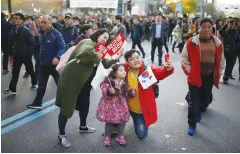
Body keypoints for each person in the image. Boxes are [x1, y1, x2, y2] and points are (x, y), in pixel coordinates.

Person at [55, 29, 115, 148]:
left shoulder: (98, 49)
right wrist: (98, 57)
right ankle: (61, 135)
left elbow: (105, 64)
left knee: (83, 103)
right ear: (97, 35)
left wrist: (117, 58)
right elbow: (86, 51)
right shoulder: (87, 42)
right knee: (66, 107)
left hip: (82, 81)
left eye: (106, 39)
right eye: (103, 37)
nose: (104, 40)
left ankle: (83, 127)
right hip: (70, 79)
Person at [181, 18, 225, 136]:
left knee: (205, 100)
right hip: (194, 77)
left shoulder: (218, 43)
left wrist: (218, 74)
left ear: (212, 29)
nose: (206, 29)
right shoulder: (191, 42)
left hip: (209, 77)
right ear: (199, 28)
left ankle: (200, 110)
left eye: (209, 27)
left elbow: (221, 60)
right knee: (194, 102)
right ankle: (192, 123)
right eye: (203, 26)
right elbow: (184, 59)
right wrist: (191, 72)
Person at [124, 49, 174, 139]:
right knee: (131, 119)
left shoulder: (147, 70)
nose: (136, 60)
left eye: (137, 57)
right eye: (132, 59)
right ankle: (135, 120)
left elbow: (159, 72)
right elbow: (111, 76)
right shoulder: (124, 71)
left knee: (141, 135)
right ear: (127, 62)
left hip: (141, 111)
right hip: (128, 108)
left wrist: (167, 69)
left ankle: (138, 121)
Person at [27, 15, 66, 109]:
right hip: (43, 64)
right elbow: (38, 46)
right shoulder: (39, 33)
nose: (42, 24)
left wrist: (57, 57)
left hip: (54, 65)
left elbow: (62, 47)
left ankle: (67, 102)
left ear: (50, 23)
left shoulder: (56, 33)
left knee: (60, 85)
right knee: (41, 85)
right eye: (41, 22)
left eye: (44, 22)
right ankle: (37, 103)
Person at [3, 13, 37, 95]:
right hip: (16, 55)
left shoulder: (27, 30)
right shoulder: (13, 29)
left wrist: (28, 53)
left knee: (30, 70)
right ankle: (12, 89)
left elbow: (32, 44)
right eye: (14, 18)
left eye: (17, 18)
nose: (15, 20)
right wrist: (11, 52)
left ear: (22, 20)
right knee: (15, 73)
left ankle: (34, 83)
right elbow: (12, 43)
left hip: (25, 56)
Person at [96, 64, 130, 146]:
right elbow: (104, 93)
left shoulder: (125, 82)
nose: (124, 72)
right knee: (109, 121)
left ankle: (120, 136)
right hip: (111, 106)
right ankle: (107, 136)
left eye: (124, 70)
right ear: (115, 73)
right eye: (121, 70)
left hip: (122, 105)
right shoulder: (108, 82)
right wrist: (109, 92)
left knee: (122, 121)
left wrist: (131, 93)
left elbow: (127, 93)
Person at [219, 20, 239, 84]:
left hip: (231, 51)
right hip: (223, 50)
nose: (231, 25)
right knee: (219, 63)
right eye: (230, 24)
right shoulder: (225, 31)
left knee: (229, 65)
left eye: (232, 24)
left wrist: (235, 50)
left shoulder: (236, 32)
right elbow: (220, 31)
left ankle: (226, 78)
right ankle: (216, 76)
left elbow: (236, 39)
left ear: (234, 25)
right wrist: (225, 25)